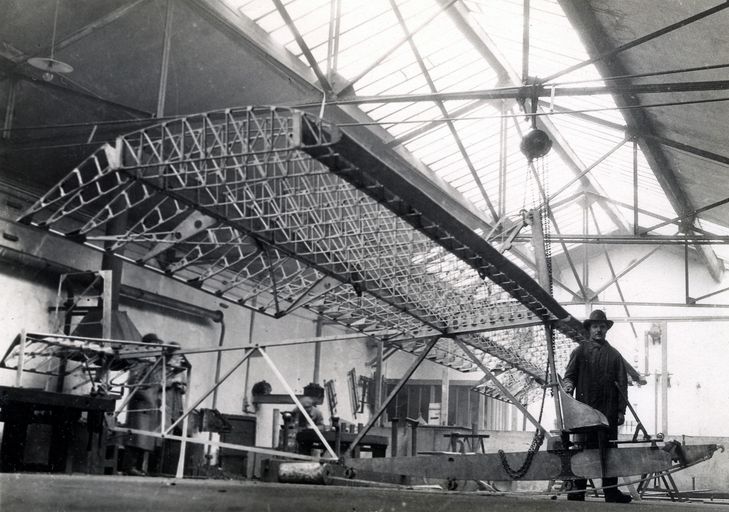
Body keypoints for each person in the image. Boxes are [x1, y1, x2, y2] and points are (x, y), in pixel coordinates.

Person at [562, 310, 632, 503]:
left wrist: (620, 411)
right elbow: (569, 376)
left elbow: (622, 386)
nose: (599, 330)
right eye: (595, 326)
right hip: (583, 413)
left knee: (609, 451)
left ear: (606, 329)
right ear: (589, 329)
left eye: (602, 326)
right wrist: (568, 387)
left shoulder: (615, 356)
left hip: (607, 413)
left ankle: (611, 492)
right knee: (582, 448)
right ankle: (578, 490)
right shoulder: (579, 352)